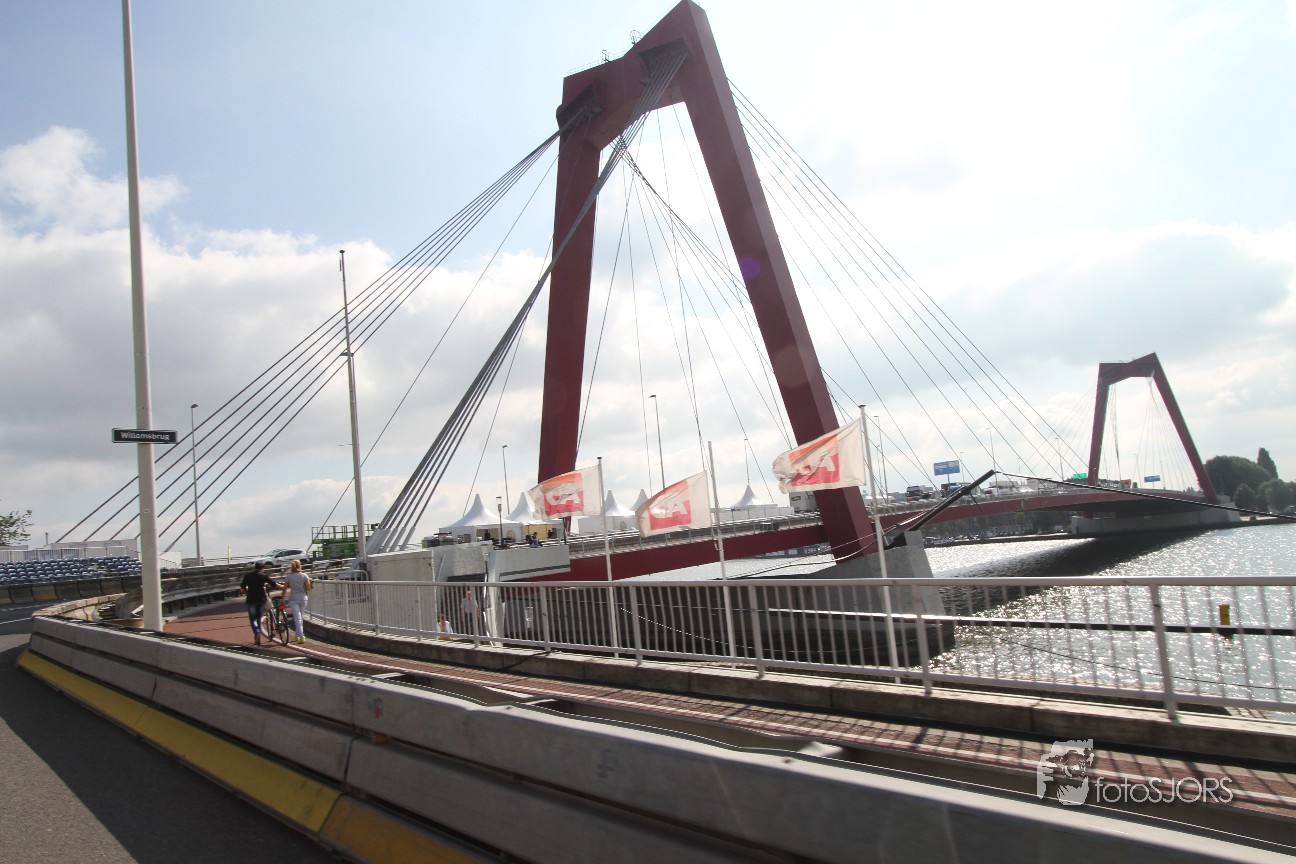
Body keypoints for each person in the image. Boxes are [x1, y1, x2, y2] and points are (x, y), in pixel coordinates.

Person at [239, 561, 280, 646]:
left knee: (252, 619)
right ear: (263, 568)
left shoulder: (248, 575)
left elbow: (242, 587)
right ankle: (258, 635)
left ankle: (257, 632)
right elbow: (273, 584)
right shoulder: (263, 576)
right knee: (258, 618)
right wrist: (283, 586)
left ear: (255, 567)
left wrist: (247, 591)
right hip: (261, 599)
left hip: (251, 599)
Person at [281, 559, 312, 644]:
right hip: (303, 597)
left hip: (293, 598)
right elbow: (309, 587)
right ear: (300, 566)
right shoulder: (304, 575)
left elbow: (284, 588)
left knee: (297, 617)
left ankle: (300, 635)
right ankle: (298, 635)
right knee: (300, 617)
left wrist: (282, 599)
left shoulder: (289, 577)